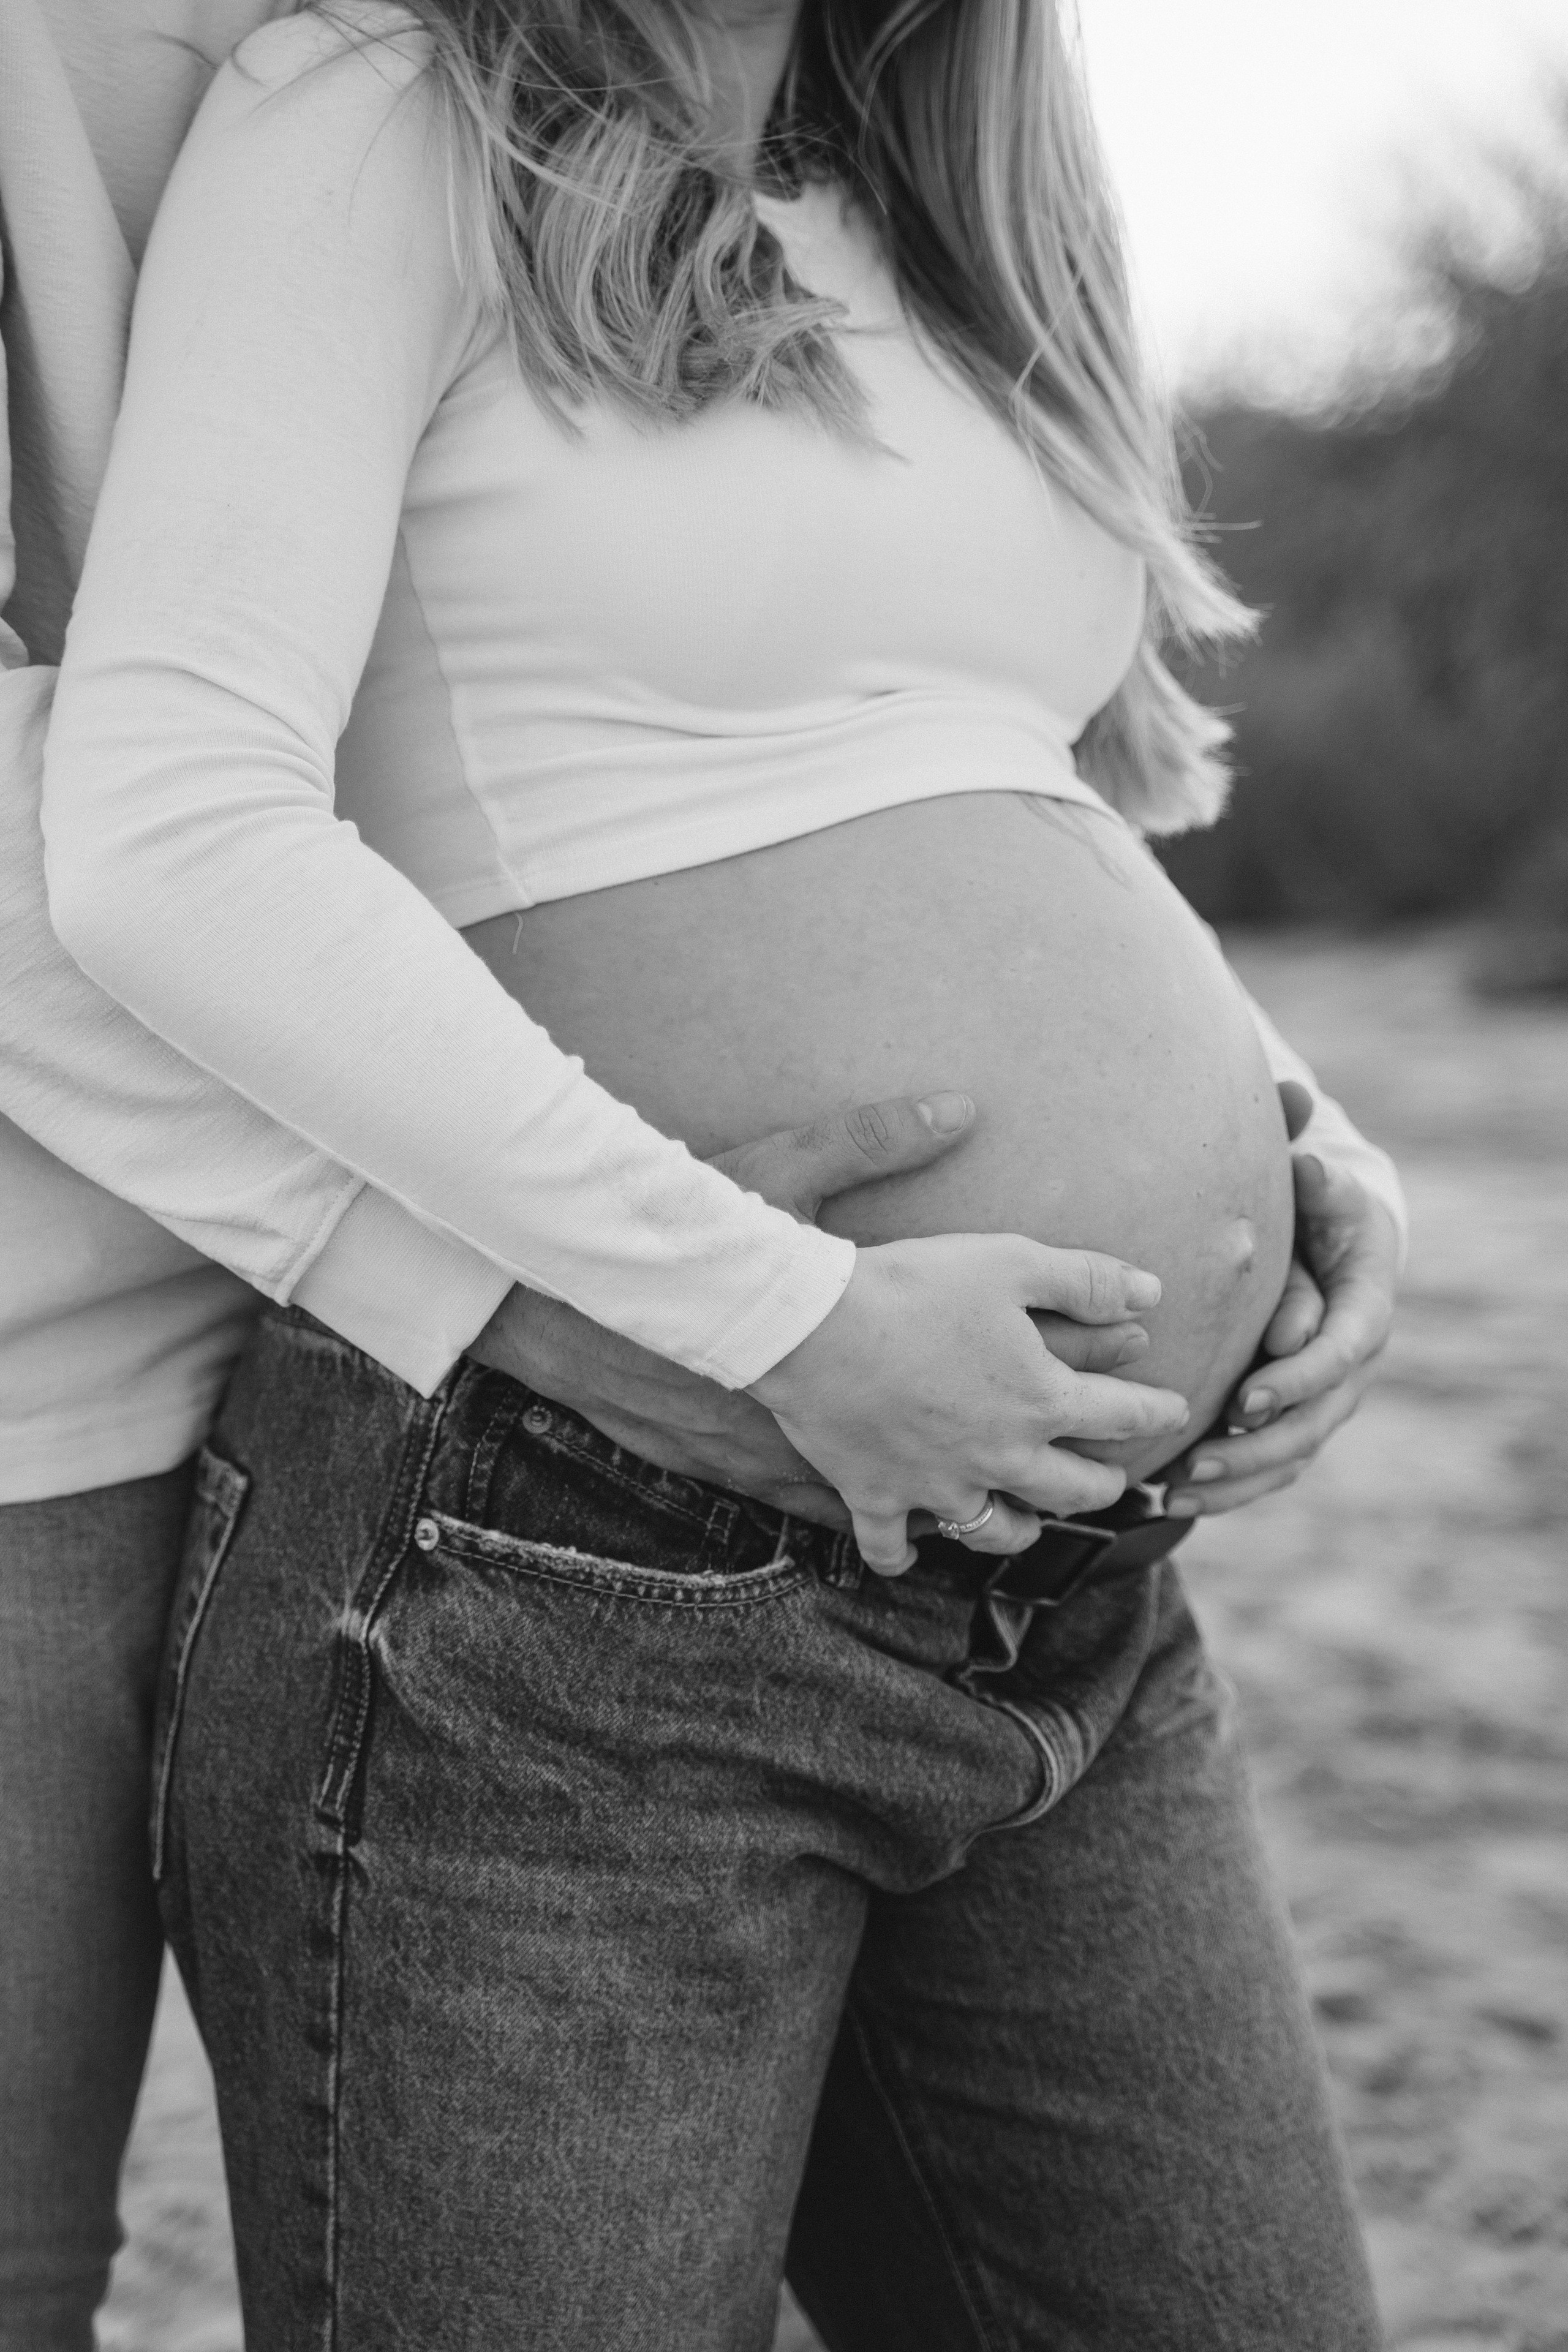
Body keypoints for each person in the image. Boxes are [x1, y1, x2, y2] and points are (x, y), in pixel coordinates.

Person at [25, 2, 1403, 2346]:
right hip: (562, 1578)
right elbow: (166, 832)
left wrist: (1291, 1133)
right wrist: (782, 1315)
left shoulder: (947, 221)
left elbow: (972, 772)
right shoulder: (377, 116)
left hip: (1061, 1588)